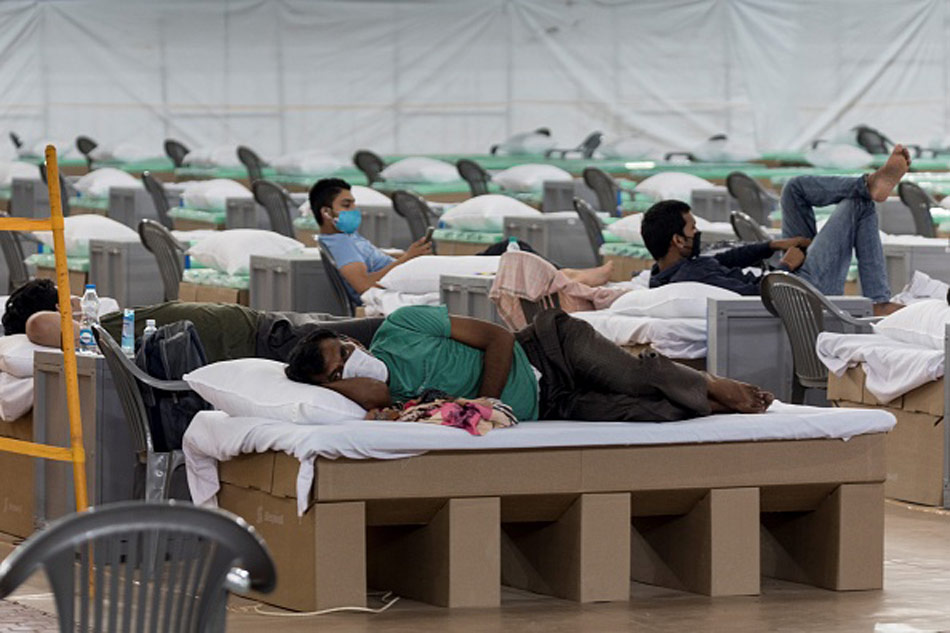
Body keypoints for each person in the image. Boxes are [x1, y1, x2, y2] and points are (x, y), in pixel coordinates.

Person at [285, 304, 773, 423]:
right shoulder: (392, 404)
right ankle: (715, 405)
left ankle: (709, 381)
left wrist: (484, 400)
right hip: (550, 405)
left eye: (345, 353)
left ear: (353, 341)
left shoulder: (402, 326)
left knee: (633, 378)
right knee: (648, 413)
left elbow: (497, 336)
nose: (350, 367)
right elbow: (373, 398)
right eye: (336, 374)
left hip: (548, 348)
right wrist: (337, 387)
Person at [640, 144, 912, 316]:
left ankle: (869, 183)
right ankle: (878, 301)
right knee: (858, 205)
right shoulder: (690, 276)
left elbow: (727, 259)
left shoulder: (670, 270)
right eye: (693, 228)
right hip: (799, 291)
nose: (697, 233)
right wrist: (785, 267)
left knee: (794, 189)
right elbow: (752, 297)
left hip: (787, 279)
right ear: (678, 240)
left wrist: (772, 246)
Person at [312, 178, 614, 306]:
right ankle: (569, 277)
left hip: (406, 268)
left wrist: (397, 255)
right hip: (405, 275)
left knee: (507, 248)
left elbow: (366, 266)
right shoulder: (340, 244)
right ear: (326, 212)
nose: (355, 210)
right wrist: (408, 259)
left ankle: (568, 276)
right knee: (511, 249)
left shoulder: (345, 238)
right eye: (346, 205)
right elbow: (363, 286)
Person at [4, 280, 380, 363]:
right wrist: (72, 314)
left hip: (266, 326)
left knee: (378, 328)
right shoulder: (80, 329)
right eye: (65, 293)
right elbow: (38, 325)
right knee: (384, 330)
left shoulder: (104, 323)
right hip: (266, 339)